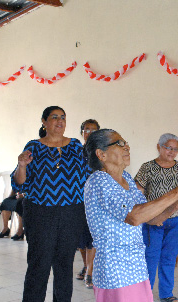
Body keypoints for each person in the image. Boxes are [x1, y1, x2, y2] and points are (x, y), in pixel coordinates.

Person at [83, 129, 178, 302]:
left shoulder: (127, 179)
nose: (127, 147)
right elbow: (134, 217)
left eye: (126, 142)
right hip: (115, 269)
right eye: (120, 144)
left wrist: (177, 204)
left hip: (136, 267)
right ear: (101, 154)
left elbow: (152, 219)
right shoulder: (99, 181)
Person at [11, 106, 88, 302]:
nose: (59, 121)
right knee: (39, 264)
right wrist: (21, 166)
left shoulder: (77, 146)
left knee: (64, 265)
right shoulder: (33, 147)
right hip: (40, 214)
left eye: (63, 117)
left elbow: (89, 177)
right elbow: (19, 182)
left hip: (72, 213)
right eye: (54, 117)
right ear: (44, 122)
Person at [134, 133, 178, 302]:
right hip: (154, 221)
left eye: (175, 149)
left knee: (169, 258)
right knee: (150, 258)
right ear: (158, 147)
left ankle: (166, 294)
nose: (172, 152)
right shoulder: (148, 167)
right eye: (169, 148)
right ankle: (145, 295)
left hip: (177, 220)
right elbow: (138, 192)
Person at [76, 119, 100, 289]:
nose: (89, 133)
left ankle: (90, 272)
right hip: (77, 200)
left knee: (92, 238)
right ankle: (86, 265)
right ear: (82, 133)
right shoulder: (76, 151)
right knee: (80, 238)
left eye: (93, 130)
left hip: (95, 200)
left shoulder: (101, 151)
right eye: (86, 130)